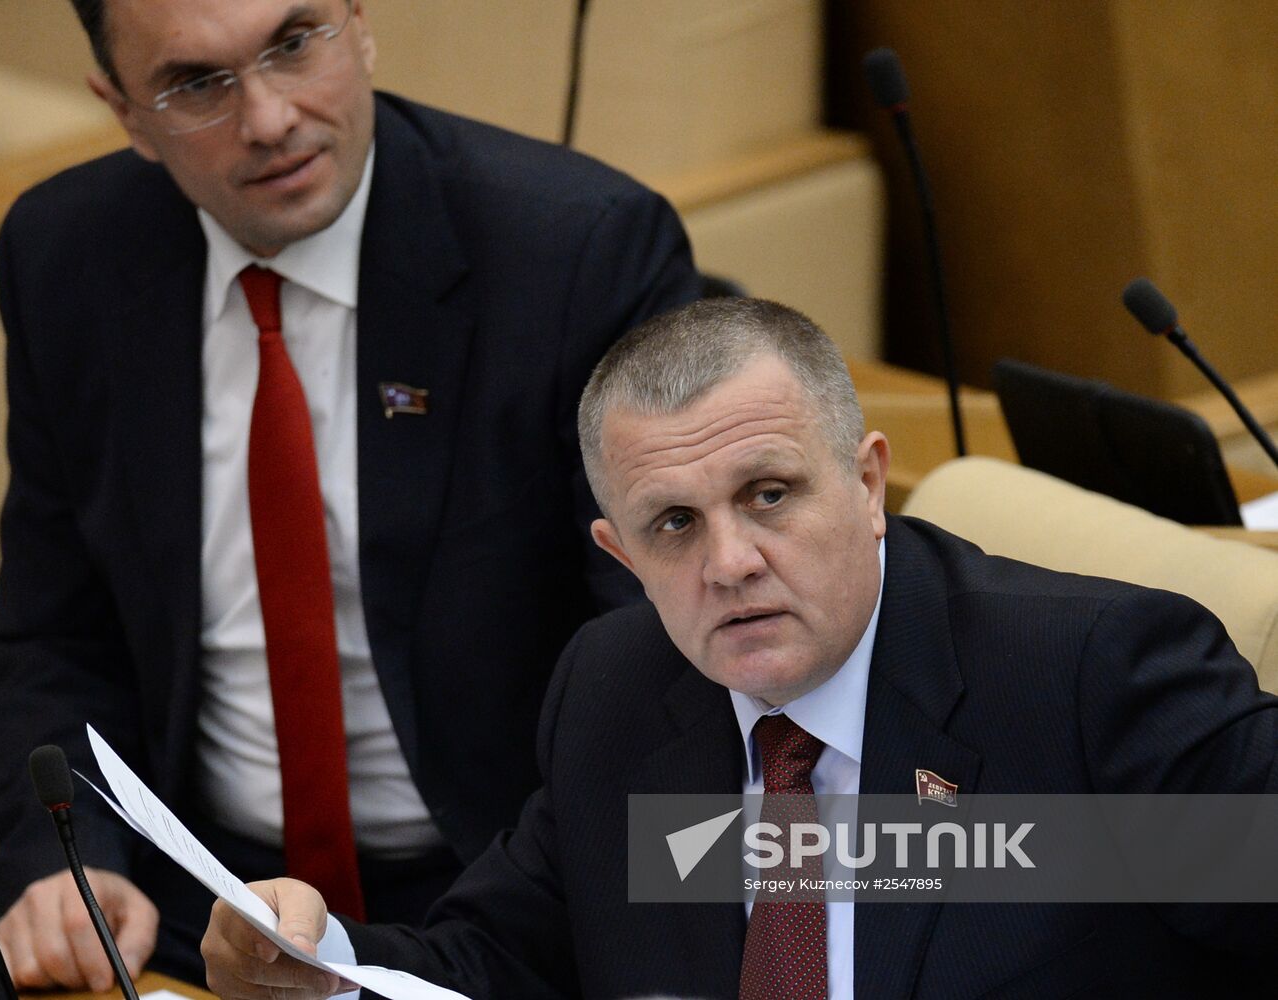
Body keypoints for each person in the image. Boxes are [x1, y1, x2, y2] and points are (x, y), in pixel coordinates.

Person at [202, 297, 1277, 999]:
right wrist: (322, 963)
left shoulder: (1094, 679)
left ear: (864, 485)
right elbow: (501, 959)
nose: (729, 561)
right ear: (617, 551)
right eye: (673, 524)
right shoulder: (613, 692)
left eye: (767, 495)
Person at [0, 0, 700, 991]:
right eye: (197, 84)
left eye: (293, 42)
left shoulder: (575, 254)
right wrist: (71, 856)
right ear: (124, 110)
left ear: (360, 23)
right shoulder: (67, 257)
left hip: (501, 902)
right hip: (192, 904)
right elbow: (55, 637)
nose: (268, 118)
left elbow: (665, 664)